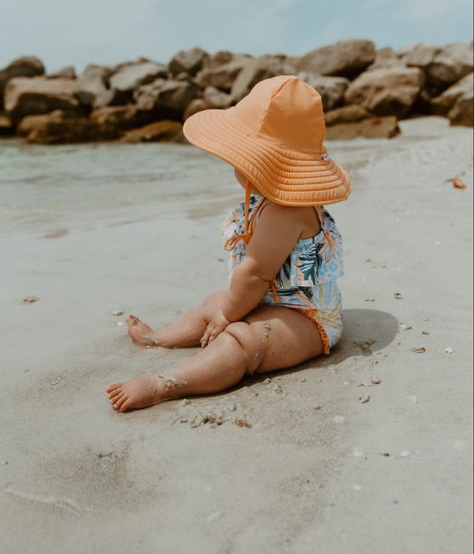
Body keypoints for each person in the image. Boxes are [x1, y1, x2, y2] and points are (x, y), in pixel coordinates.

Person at [107, 75, 351, 412]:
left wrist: (228, 316)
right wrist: (223, 310)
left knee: (243, 341)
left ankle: (165, 384)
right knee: (214, 303)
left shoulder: (284, 212)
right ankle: (158, 339)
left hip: (308, 319)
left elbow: (255, 274)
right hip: (269, 300)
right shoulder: (268, 199)